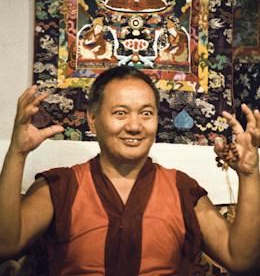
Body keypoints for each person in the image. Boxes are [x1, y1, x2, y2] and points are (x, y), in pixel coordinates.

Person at [0, 66, 259, 276]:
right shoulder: (61, 186)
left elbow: (240, 259)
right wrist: (17, 153)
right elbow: (7, 244)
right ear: (93, 119)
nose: (135, 126)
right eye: (120, 113)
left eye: (146, 113)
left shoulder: (181, 189)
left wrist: (249, 174)